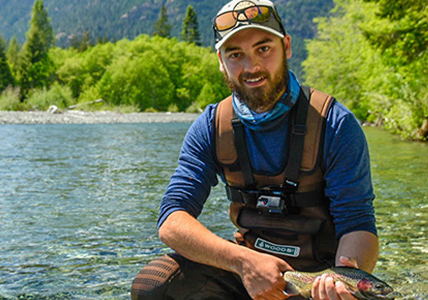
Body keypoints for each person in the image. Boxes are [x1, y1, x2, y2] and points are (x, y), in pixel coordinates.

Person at [131, 0, 379, 299]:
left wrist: (346, 280)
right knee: (154, 284)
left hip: (320, 278)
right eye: (236, 55)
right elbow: (172, 219)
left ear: (286, 46)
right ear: (221, 61)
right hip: (250, 275)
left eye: (264, 48)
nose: (252, 67)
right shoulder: (212, 127)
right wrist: (241, 261)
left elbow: (358, 222)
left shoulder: (335, 124)